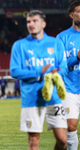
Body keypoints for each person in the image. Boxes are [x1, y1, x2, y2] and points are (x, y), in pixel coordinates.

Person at [9, 10, 68, 150]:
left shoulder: (56, 43)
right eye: (29, 21)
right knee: (34, 140)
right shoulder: (19, 45)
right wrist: (39, 72)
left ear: (43, 23)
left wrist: (57, 74)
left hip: (54, 98)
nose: (31, 24)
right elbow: (14, 71)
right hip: (32, 98)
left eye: (35, 21)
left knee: (63, 140)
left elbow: (64, 67)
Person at [56, 1, 80, 149]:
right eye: (79, 11)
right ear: (72, 15)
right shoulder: (62, 38)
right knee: (71, 127)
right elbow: (59, 66)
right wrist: (76, 58)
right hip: (69, 89)